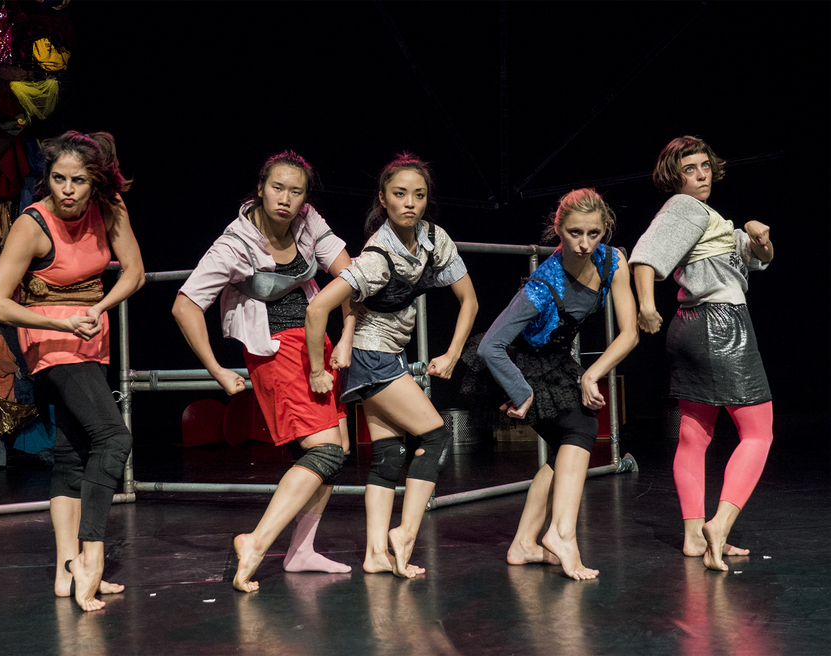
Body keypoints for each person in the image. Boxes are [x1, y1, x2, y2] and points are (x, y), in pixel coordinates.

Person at [172, 151, 356, 592]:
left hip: (317, 346)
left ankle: (302, 550)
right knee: (326, 452)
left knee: (337, 450)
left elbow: (351, 277)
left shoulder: (307, 221)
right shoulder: (234, 244)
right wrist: (217, 369)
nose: (286, 199)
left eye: (296, 192)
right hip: (277, 351)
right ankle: (256, 541)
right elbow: (185, 305)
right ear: (260, 188)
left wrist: (347, 334)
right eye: (278, 188)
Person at [0, 130, 145, 611]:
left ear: (94, 182)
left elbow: (134, 272)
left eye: (78, 180)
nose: (68, 190)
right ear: (47, 178)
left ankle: (64, 570)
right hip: (48, 340)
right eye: (58, 179)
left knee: (73, 453)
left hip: (91, 335)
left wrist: (99, 307)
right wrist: (59, 321)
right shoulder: (32, 224)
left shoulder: (109, 208)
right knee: (113, 439)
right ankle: (91, 556)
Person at [306, 152, 478, 578]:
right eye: (400, 194)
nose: (410, 203)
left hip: (389, 354)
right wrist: (318, 368)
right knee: (435, 435)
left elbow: (469, 300)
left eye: (419, 195)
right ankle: (405, 534)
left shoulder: (434, 239)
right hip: (372, 356)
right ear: (382, 199)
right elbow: (318, 307)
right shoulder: (376, 257)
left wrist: (453, 353)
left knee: (388, 454)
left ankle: (375, 554)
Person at [478, 188, 638, 580]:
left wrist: (592, 373)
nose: (584, 244)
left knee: (565, 452)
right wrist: (521, 393)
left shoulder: (612, 260)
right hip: (518, 364)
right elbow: (490, 346)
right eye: (574, 233)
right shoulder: (542, 286)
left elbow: (630, 333)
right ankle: (562, 534)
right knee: (580, 428)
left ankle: (524, 543)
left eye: (594, 233)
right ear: (558, 228)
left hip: (558, 361)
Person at [630, 136, 774, 572]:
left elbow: (758, 259)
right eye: (689, 169)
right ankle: (720, 525)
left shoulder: (710, 219)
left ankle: (694, 536)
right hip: (720, 324)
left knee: (695, 436)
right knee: (759, 433)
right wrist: (645, 306)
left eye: (705, 166)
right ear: (674, 177)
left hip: (691, 326)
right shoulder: (684, 208)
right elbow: (645, 257)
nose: (701, 175)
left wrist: (759, 238)